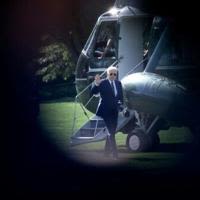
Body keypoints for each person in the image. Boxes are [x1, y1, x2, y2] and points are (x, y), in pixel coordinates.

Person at [91, 66, 124, 159]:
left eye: (115, 74)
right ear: (107, 74)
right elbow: (93, 92)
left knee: (112, 131)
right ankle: (115, 155)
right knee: (111, 132)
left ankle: (106, 153)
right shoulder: (102, 83)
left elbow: (120, 97)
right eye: (111, 74)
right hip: (105, 111)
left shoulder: (118, 83)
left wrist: (121, 106)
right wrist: (96, 84)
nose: (113, 75)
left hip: (115, 111)